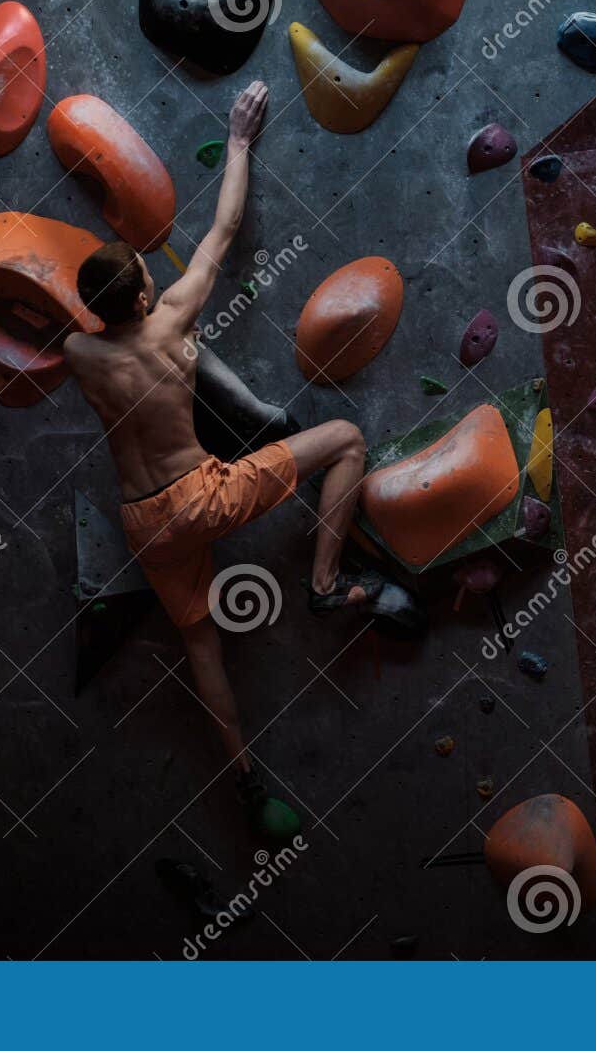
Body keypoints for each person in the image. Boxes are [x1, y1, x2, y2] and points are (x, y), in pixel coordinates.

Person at [63, 81, 410, 839]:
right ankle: (323, 582)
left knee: (199, 642)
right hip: (203, 496)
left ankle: (247, 780)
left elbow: (85, 317)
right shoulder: (172, 318)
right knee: (347, 437)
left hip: (144, 526)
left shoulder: (79, 353)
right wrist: (241, 139)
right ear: (148, 289)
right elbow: (221, 230)